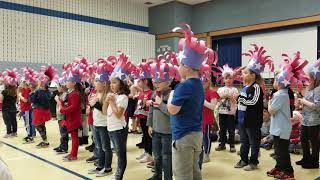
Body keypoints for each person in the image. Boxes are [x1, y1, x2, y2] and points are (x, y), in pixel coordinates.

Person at [167, 24, 210, 180]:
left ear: (186, 66)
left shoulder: (183, 86)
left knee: (182, 174)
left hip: (183, 135)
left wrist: (170, 96)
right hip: (196, 134)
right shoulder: (198, 84)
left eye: (180, 64)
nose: (178, 67)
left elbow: (172, 110)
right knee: (194, 171)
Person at [235, 44, 272, 171]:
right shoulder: (244, 87)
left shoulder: (256, 87)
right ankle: (243, 159)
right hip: (242, 120)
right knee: (244, 141)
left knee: (254, 142)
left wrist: (242, 100)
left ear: (253, 75)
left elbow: (254, 101)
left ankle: (253, 162)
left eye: (245, 73)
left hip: (252, 121)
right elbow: (241, 103)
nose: (242, 75)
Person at [146, 54, 179, 180]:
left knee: (166, 156)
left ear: (169, 81)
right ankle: (157, 175)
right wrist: (150, 125)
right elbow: (151, 110)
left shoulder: (172, 94)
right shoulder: (155, 93)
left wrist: (161, 104)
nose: (156, 83)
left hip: (167, 132)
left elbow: (172, 112)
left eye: (160, 81)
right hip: (156, 131)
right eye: (155, 81)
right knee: (157, 155)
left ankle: (168, 177)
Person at [102, 52, 132, 180]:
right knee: (117, 154)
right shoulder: (113, 96)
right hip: (111, 128)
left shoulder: (123, 97)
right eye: (111, 83)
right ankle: (117, 174)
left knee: (121, 155)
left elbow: (119, 114)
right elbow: (104, 112)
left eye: (114, 82)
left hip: (119, 130)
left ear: (121, 84)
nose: (112, 85)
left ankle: (118, 176)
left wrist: (112, 102)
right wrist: (106, 101)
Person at [296, 57, 320, 169]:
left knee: (313, 141)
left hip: (314, 120)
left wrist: (304, 101)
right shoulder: (310, 88)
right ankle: (306, 158)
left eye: (310, 76)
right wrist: (301, 104)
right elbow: (307, 103)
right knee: (303, 139)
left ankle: (314, 161)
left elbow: (317, 106)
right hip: (306, 118)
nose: (308, 77)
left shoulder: (318, 89)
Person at [0, 69, 18, 138]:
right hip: (13, 108)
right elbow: (17, 100)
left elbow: (1, 100)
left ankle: (8, 133)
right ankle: (14, 132)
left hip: (6, 108)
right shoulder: (14, 91)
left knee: (7, 121)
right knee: (13, 120)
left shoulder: (4, 91)